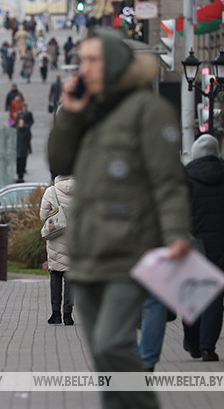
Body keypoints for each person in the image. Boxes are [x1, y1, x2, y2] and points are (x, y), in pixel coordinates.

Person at [48, 28, 191, 408]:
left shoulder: (148, 111)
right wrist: (69, 115)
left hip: (132, 250)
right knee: (103, 359)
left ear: (114, 63)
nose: (85, 68)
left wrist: (177, 234)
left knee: (113, 344)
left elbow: (168, 181)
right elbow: (60, 163)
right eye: (82, 60)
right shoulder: (85, 111)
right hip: (87, 252)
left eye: (93, 60)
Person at [183, 134, 224, 362]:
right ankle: (207, 347)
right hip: (223, 246)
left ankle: (192, 341)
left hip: (192, 246)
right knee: (214, 297)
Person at [41, 176, 74, 325]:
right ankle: (68, 315)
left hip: (56, 236)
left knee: (55, 274)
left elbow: (43, 216)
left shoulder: (51, 191)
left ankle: (55, 314)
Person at [16, 118, 31, 182]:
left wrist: (29, 148)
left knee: (22, 162)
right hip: (18, 149)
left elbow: (28, 140)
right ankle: (19, 174)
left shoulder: (26, 130)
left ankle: (21, 176)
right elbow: (10, 123)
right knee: (18, 163)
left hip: (23, 149)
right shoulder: (16, 130)